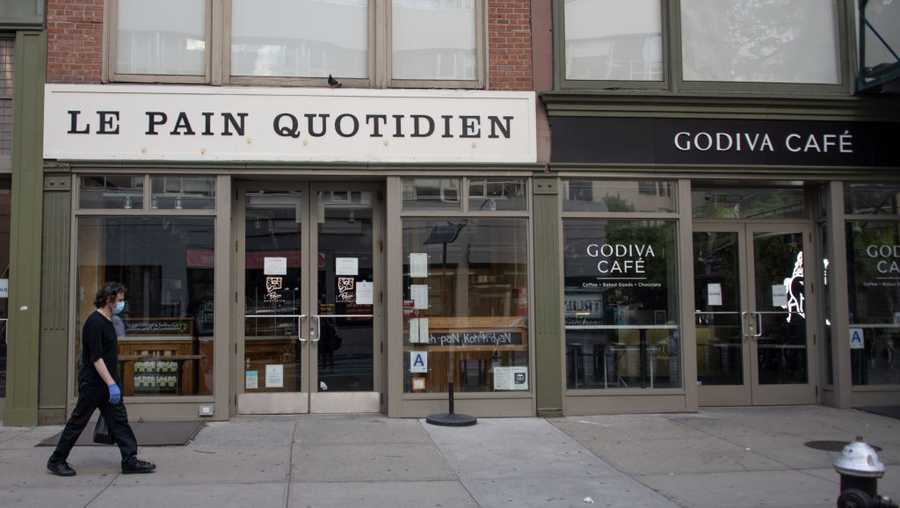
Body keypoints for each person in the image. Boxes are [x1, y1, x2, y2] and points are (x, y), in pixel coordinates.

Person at [47, 282, 156, 476]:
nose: (122, 304)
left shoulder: (109, 321)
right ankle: (56, 460)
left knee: (119, 421)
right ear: (109, 299)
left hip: (108, 383)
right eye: (120, 300)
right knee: (78, 422)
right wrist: (111, 384)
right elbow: (96, 358)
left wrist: (113, 383)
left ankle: (129, 460)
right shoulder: (94, 322)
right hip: (94, 384)